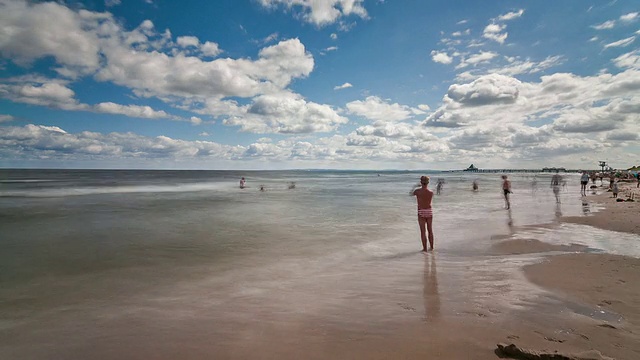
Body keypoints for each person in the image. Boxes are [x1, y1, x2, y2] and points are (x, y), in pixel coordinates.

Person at [411, 176, 434, 252]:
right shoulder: (431, 192)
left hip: (421, 211)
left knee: (423, 231)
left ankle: (424, 249)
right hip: (429, 211)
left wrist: (415, 186)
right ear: (428, 182)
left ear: (421, 182)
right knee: (430, 230)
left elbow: (410, 193)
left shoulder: (417, 191)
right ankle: (431, 247)